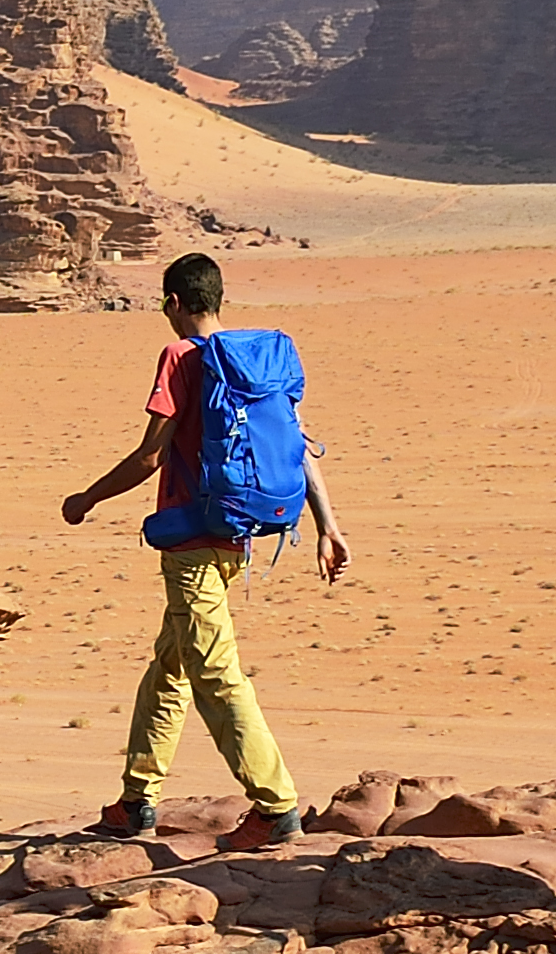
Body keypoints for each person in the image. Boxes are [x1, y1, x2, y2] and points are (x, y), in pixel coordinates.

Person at [54, 249, 348, 847]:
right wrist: (327, 524)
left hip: (190, 541)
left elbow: (149, 456)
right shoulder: (253, 361)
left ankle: (275, 806)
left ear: (173, 304)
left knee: (215, 673)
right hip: (237, 535)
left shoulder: (180, 357)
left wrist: (86, 497)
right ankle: (137, 800)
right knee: (172, 665)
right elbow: (295, 446)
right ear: (218, 300)